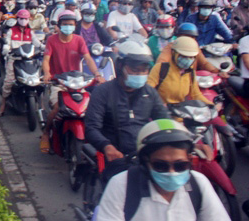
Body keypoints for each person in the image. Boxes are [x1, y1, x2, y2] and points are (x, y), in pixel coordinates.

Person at [97, 119, 230, 221]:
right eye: (160, 166)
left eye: (180, 166)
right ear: (144, 162)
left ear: (189, 160)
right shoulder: (121, 185)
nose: (171, 172)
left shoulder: (199, 183)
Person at [85, 41, 169, 183]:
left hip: (145, 156)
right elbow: (92, 127)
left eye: (144, 70)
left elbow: (164, 122)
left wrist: (185, 141)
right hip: (116, 157)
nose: (140, 74)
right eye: (135, 70)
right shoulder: (103, 92)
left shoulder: (150, 93)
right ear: (120, 66)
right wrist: (107, 146)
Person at [40, 10, 104, 152]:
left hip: (76, 82)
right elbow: (46, 60)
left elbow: (88, 58)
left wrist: (97, 74)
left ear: (75, 25)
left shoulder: (79, 40)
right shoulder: (52, 40)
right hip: (59, 83)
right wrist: (47, 73)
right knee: (57, 108)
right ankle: (46, 133)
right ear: (59, 25)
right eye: (65, 24)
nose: (67, 26)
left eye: (70, 24)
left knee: (88, 109)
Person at [0, 9, 42, 116]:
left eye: (25, 19)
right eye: (21, 18)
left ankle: (41, 106)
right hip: (14, 60)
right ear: (17, 19)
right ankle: (3, 103)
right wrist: (6, 48)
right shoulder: (11, 31)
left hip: (28, 61)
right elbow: (7, 43)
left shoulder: (30, 32)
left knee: (39, 81)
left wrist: (46, 47)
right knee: (8, 82)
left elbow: (37, 43)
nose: (23, 21)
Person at [147, 36, 211, 104]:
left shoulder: (190, 72)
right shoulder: (160, 68)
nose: (188, 60)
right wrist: (158, 105)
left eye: (191, 57)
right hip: (161, 110)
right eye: (184, 56)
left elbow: (196, 95)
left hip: (180, 111)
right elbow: (148, 90)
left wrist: (211, 105)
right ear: (174, 53)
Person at [156, 22, 227, 76]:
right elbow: (161, 62)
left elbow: (204, 63)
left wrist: (217, 71)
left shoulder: (195, 48)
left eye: (191, 37)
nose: (188, 39)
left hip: (191, 79)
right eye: (185, 36)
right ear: (178, 36)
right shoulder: (171, 47)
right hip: (172, 78)